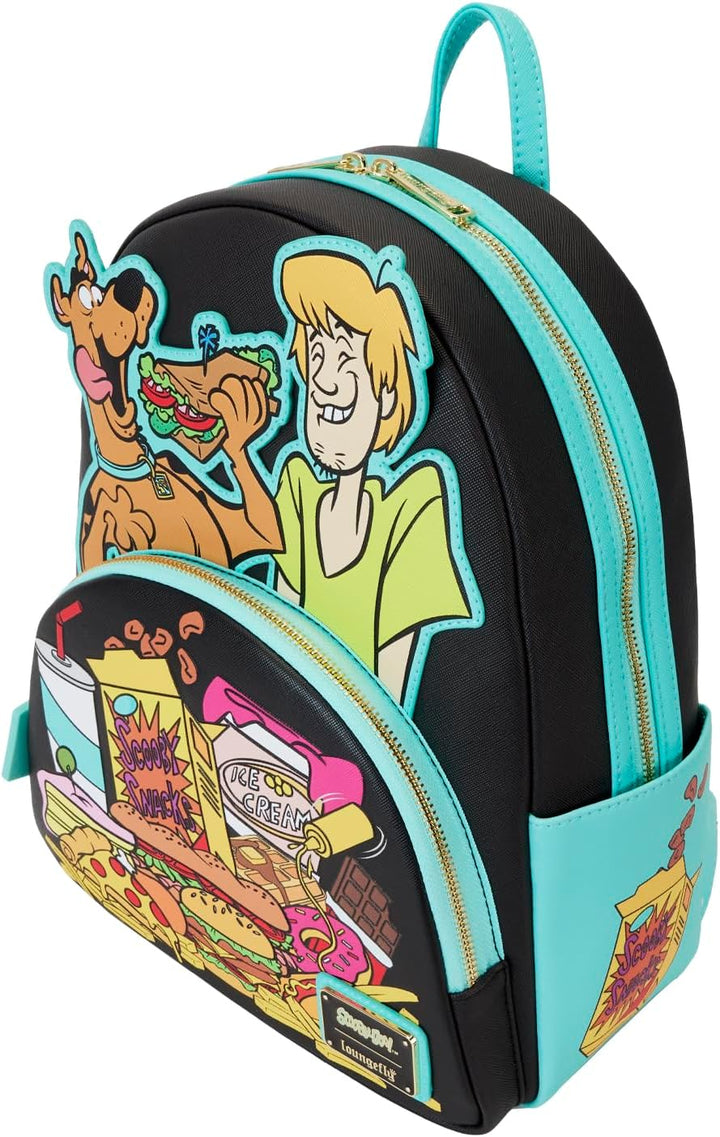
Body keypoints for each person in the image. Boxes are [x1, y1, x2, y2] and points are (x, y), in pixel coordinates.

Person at [272, 244, 479, 706]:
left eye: (347, 358)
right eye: (317, 354)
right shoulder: (297, 489)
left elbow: (390, 708)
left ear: (386, 396)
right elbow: (279, 648)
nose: (325, 380)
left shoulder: (411, 514)